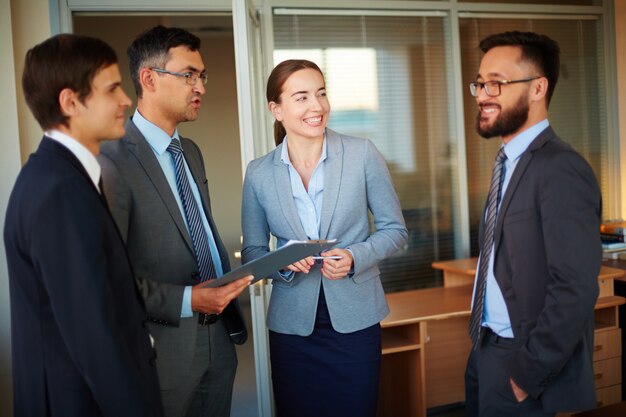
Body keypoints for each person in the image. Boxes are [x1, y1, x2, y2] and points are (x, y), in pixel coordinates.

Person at [3, 34, 163, 417]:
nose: (126, 100)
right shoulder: (59, 191)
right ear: (70, 102)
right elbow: (93, 336)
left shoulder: (58, 177)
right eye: (112, 89)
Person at [98, 26, 251, 417]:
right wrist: (189, 299)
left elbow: (195, 230)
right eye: (189, 75)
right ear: (148, 79)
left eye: (202, 76)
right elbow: (107, 279)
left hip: (218, 339)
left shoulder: (191, 152)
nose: (200, 86)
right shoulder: (110, 161)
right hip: (161, 350)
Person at [241, 59, 408, 417]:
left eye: (321, 94)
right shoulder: (258, 173)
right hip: (291, 328)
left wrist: (354, 257)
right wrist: (282, 262)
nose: (316, 106)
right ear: (277, 109)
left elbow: (396, 231)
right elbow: (253, 250)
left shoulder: (362, 153)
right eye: (301, 97)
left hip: (355, 322)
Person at [465, 31, 601, 417]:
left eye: (497, 83)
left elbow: (574, 288)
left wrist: (527, 374)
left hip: (522, 365)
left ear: (538, 87)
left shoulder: (560, 168)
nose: (482, 94)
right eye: (480, 83)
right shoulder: (508, 162)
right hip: (485, 349)